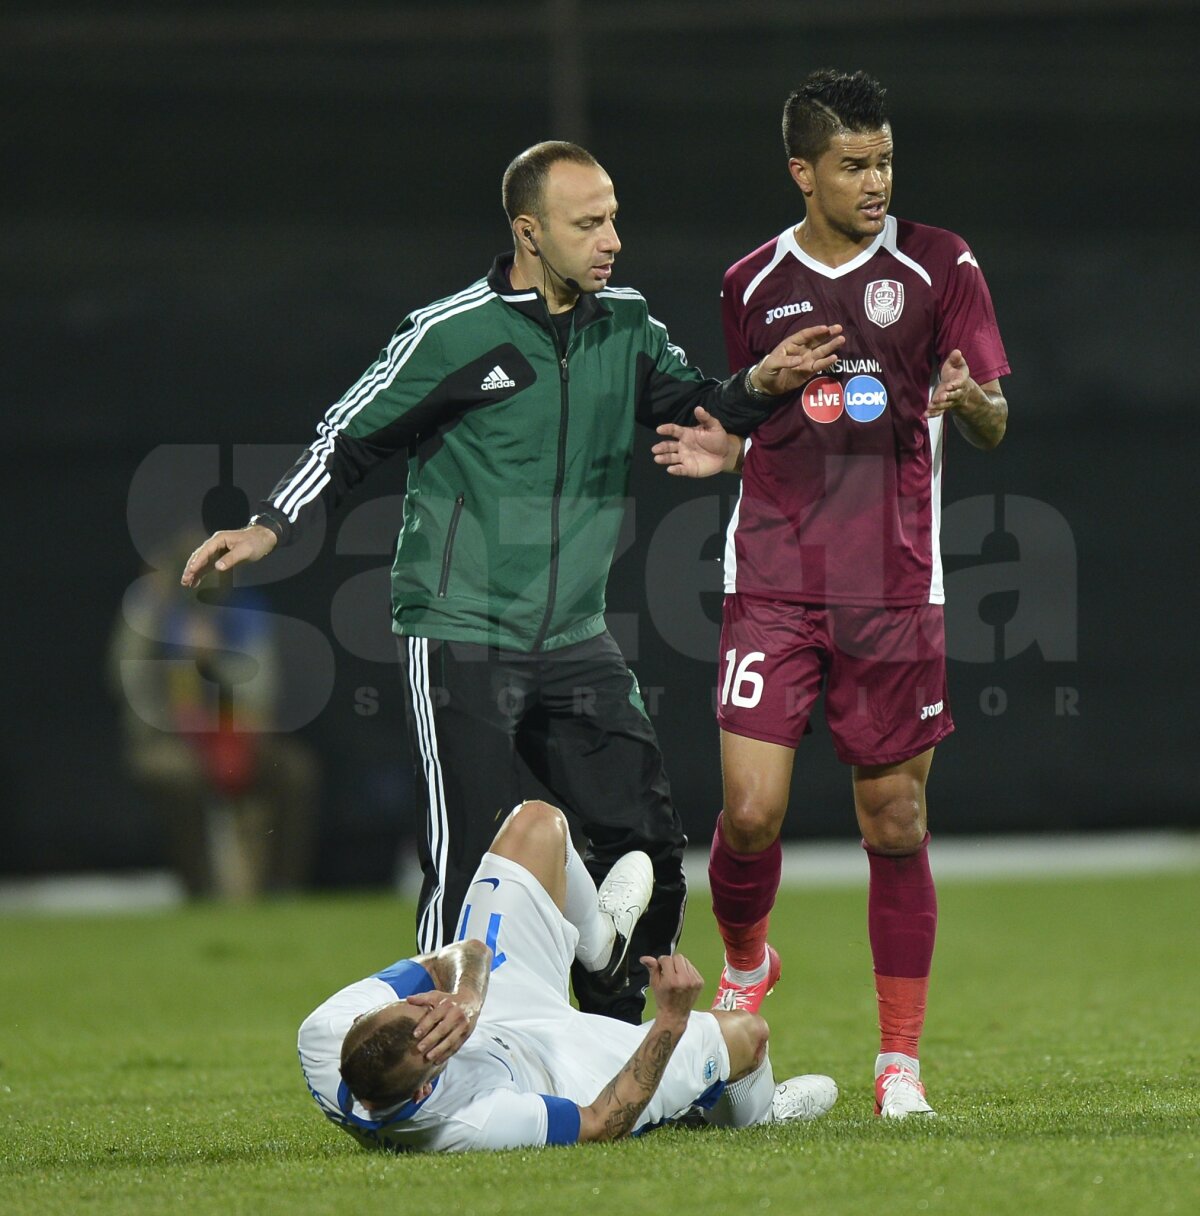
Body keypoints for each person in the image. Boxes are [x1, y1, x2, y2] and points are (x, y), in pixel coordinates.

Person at [182, 140, 843, 1020]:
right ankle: (438, 1059)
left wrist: (762, 382)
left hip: (576, 638)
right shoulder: (453, 333)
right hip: (461, 627)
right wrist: (270, 523)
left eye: (613, 217)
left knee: (644, 847)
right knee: (472, 861)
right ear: (529, 232)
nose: (611, 238)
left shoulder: (628, 325)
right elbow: (351, 435)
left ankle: (614, 1048)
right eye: (588, 223)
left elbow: (703, 411)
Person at [652, 69, 1010, 1117]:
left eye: (886, 159)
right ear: (802, 170)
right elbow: (748, 413)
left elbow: (990, 421)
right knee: (753, 813)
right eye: (853, 164)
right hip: (771, 576)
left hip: (896, 585)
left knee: (893, 818)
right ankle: (748, 960)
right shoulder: (752, 283)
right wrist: (729, 442)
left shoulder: (942, 264)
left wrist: (971, 399)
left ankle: (899, 1063)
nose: (875, 180)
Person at [298, 799, 838, 1153]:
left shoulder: (325, 1036)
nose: (427, 1003)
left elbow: (457, 955)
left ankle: (599, 945)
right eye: (434, 1030)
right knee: (746, 1033)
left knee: (536, 823)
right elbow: (601, 1120)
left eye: (416, 1005)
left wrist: (462, 995)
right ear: (423, 1093)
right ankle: (760, 1115)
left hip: (496, 1007)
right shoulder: (469, 1124)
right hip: (560, 1070)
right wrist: (669, 1021)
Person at [110, 530, 319, 898]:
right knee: (179, 776)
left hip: (239, 734)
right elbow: (125, 682)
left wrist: (217, 658)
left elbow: (263, 692)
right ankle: (200, 890)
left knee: (295, 772)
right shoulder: (150, 611)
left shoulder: (244, 612)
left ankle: (280, 890)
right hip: (170, 737)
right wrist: (155, 621)